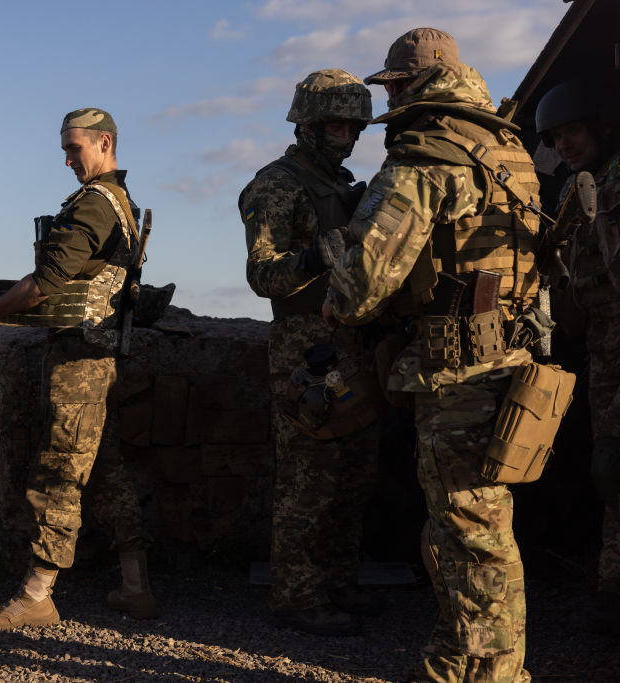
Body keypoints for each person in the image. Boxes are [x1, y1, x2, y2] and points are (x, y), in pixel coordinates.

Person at [325, 28, 544, 681]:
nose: (390, 99)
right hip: (508, 355)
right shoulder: (510, 150)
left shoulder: (425, 154)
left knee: (469, 527)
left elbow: (362, 284)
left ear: (411, 84)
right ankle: (471, 659)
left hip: (457, 366)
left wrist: (339, 292)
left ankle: (488, 670)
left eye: (393, 86)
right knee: (476, 521)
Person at [0, 108, 156, 630]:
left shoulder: (94, 203)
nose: (68, 160)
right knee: (107, 470)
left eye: (75, 148)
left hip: (80, 359)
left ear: (105, 142)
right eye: (66, 150)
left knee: (60, 472)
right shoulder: (120, 201)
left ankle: (37, 596)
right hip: (100, 356)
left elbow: (47, 281)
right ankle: (136, 587)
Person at [238, 69, 382, 636]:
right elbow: (262, 277)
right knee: (308, 477)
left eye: (352, 127)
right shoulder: (277, 185)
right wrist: (314, 259)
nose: (345, 136)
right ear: (307, 125)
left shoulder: (344, 185)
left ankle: (338, 583)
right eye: (334, 126)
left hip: (353, 342)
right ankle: (297, 596)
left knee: (355, 475)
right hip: (306, 348)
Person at [536, 80, 620, 633]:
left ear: (599, 129)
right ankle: (612, 590)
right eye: (556, 137)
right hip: (601, 346)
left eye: (574, 132)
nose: (564, 144)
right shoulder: (574, 189)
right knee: (610, 468)